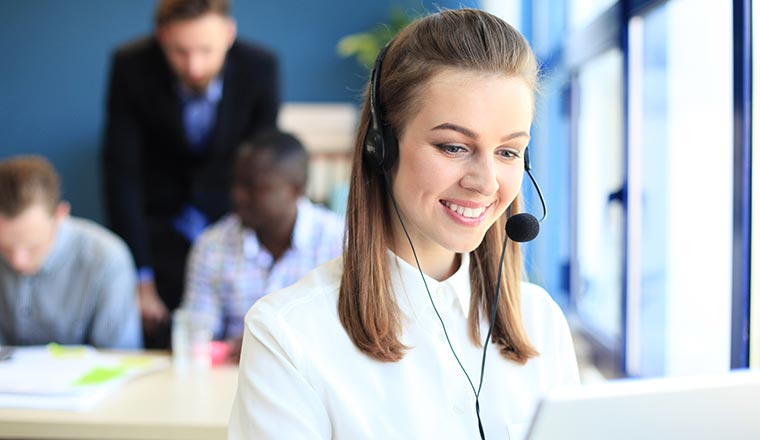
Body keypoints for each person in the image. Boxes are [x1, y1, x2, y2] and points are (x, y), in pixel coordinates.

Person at [228, 8, 579, 440]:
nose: (486, 182)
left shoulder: (541, 321)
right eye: (453, 147)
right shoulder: (288, 336)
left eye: (508, 152)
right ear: (382, 148)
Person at [101, 0, 279, 348]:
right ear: (162, 37)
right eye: (180, 52)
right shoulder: (131, 66)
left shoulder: (261, 67)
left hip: (230, 225)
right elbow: (122, 176)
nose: (194, 66)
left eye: (206, 50)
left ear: (229, 34)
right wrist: (140, 278)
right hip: (156, 230)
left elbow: (263, 165)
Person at [181, 130, 345, 361]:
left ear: (294, 190)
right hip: (231, 382)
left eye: (253, 187)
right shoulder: (211, 246)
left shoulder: (341, 243)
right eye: (236, 183)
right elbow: (195, 338)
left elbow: (351, 339)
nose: (238, 196)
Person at [0, 156, 142, 349]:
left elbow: (120, 358)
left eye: (33, 247)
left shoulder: (106, 258)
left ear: (60, 215)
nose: (18, 262)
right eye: (5, 248)